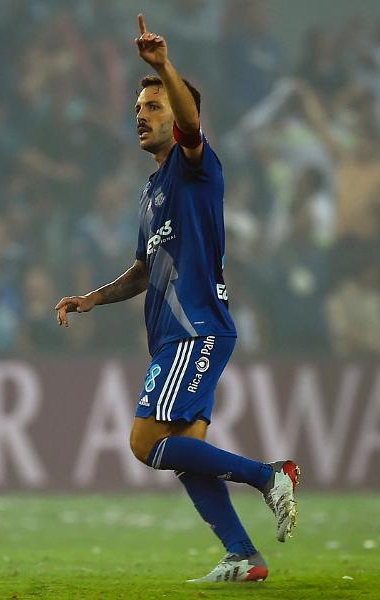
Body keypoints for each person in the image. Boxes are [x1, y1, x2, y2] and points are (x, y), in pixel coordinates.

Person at [55, 14, 299, 584]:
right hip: (178, 333)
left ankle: (270, 474)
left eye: (155, 106)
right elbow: (145, 269)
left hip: (196, 329)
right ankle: (244, 555)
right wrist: (94, 298)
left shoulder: (197, 169)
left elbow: (192, 128)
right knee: (186, 455)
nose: (142, 114)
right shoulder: (150, 191)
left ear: (182, 116)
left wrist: (163, 66)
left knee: (145, 442)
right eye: (139, 108)